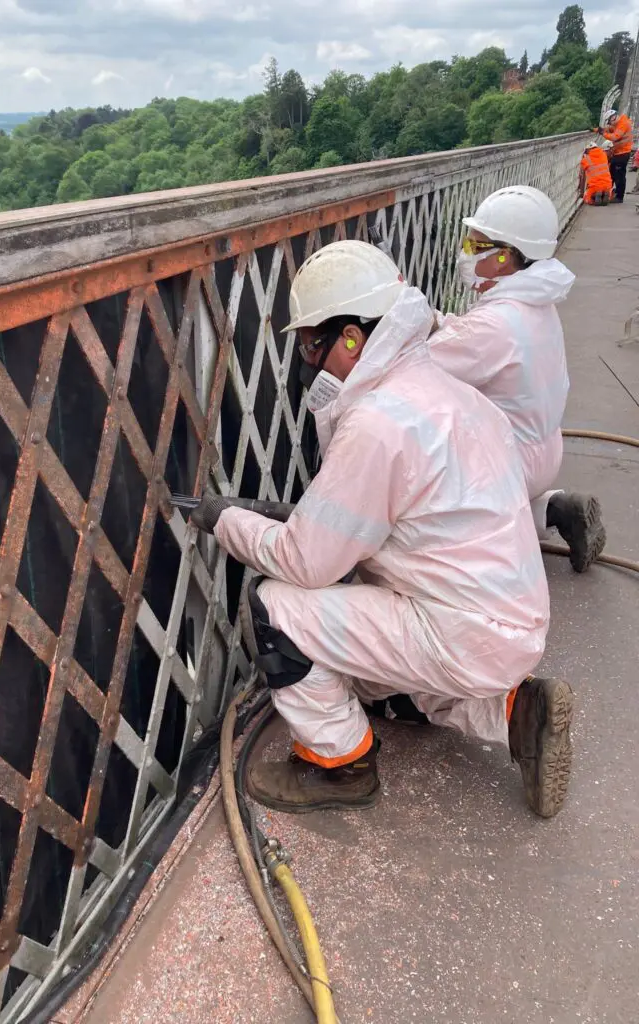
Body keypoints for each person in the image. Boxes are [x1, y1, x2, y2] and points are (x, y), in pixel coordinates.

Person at [191, 240, 574, 819]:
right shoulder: (448, 393)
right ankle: (515, 712)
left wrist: (227, 521)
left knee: (275, 607)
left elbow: (307, 563)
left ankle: (339, 765)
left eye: (313, 345)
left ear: (353, 337)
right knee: (370, 684)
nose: (311, 362)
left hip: (460, 629)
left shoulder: (377, 421)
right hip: (509, 619)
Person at [428, 185, 606, 573]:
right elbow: (478, 340)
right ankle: (554, 509)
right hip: (542, 448)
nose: (465, 253)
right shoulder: (531, 303)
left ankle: (477, 549)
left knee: (418, 484)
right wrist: (438, 321)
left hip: (510, 463)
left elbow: (419, 367)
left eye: (475, 247)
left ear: (505, 257)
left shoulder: (495, 324)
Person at [601, 109, 633, 203]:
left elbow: (615, 136)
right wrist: (597, 130)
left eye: (609, 121)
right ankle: (609, 193)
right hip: (619, 152)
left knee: (619, 176)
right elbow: (609, 129)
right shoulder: (619, 124)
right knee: (612, 173)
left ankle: (619, 197)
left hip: (623, 153)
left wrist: (603, 133)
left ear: (613, 117)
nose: (610, 123)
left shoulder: (623, 124)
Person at [579, 140, 613, 206]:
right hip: (607, 184)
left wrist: (582, 193)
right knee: (605, 188)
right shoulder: (604, 155)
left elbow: (582, 177)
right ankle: (606, 194)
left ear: (588, 149)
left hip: (595, 186)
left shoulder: (586, 159)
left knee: (587, 199)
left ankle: (594, 196)